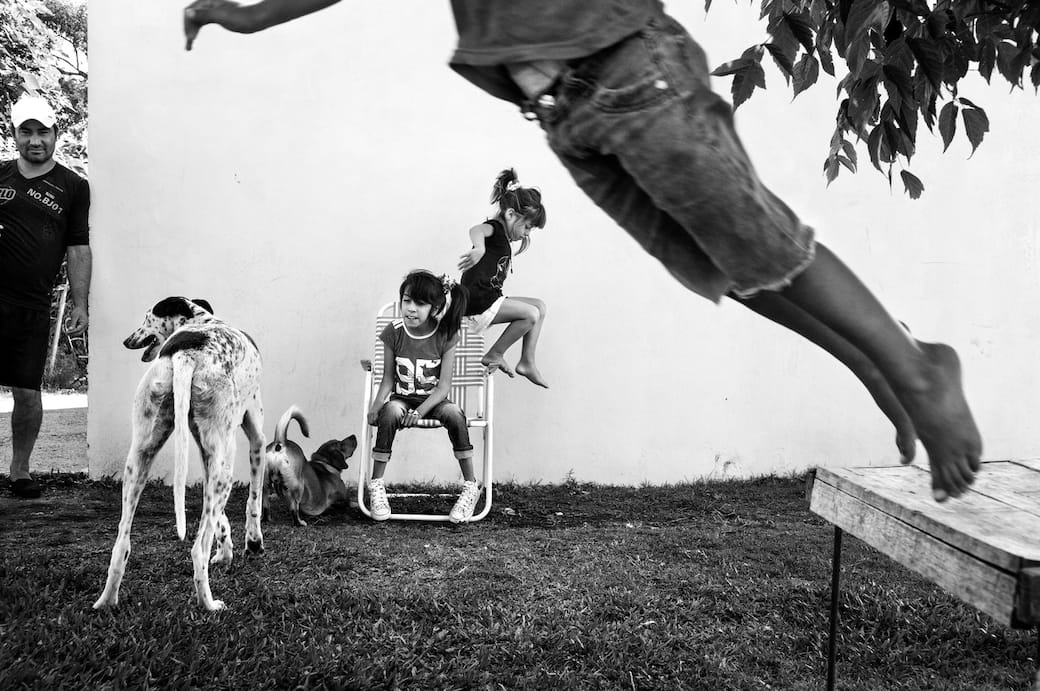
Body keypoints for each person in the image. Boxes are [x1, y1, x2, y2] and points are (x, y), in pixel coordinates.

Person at [182, 0, 982, 502]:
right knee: (724, 265)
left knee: (753, 234)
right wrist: (244, 16)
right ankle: (874, 357)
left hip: (629, 63)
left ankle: (919, 371)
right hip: (569, 117)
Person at [1, 94, 92, 499]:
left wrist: (80, 302)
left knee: (26, 391)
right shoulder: (1, 175)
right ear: (15, 134)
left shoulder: (73, 187)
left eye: (42, 132)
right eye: (26, 132)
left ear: (56, 133)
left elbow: (78, 247)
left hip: (31, 305)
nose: (34, 140)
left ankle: (19, 471)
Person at [366, 270, 479, 523]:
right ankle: (376, 485)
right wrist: (376, 404)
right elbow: (387, 379)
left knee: (454, 413)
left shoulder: (445, 334)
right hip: (402, 399)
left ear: (435, 308)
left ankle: (470, 486)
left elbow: (443, 387)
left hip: (433, 401)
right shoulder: (393, 331)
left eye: (420, 303)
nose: (411, 308)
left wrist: (419, 412)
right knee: (390, 412)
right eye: (407, 301)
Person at [458, 168, 549, 388]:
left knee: (540, 306)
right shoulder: (495, 229)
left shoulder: (503, 236)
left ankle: (527, 361)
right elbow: (476, 230)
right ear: (510, 214)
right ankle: (495, 353)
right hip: (477, 302)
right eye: (527, 227)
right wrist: (479, 248)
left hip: (490, 298)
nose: (527, 233)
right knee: (531, 314)